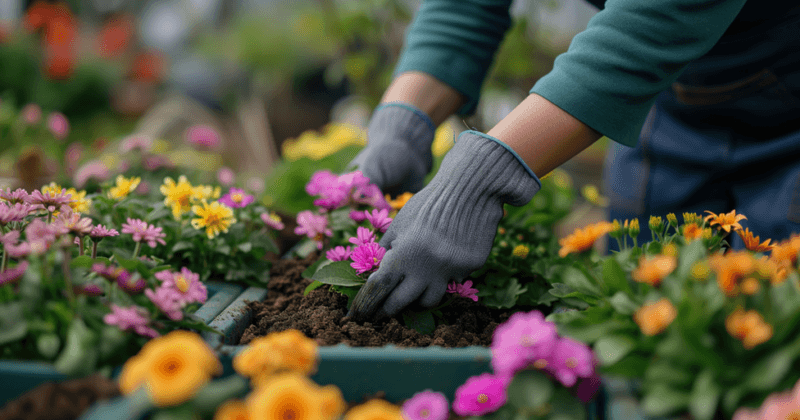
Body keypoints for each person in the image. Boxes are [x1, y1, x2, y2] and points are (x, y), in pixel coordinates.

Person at [344, 0, 800, 322]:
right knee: (643, 324)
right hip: (666, 102)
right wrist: (402, 125)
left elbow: (655, 18)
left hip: (786, 110)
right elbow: (464, 8)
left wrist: (477, 179)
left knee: (777, 341)